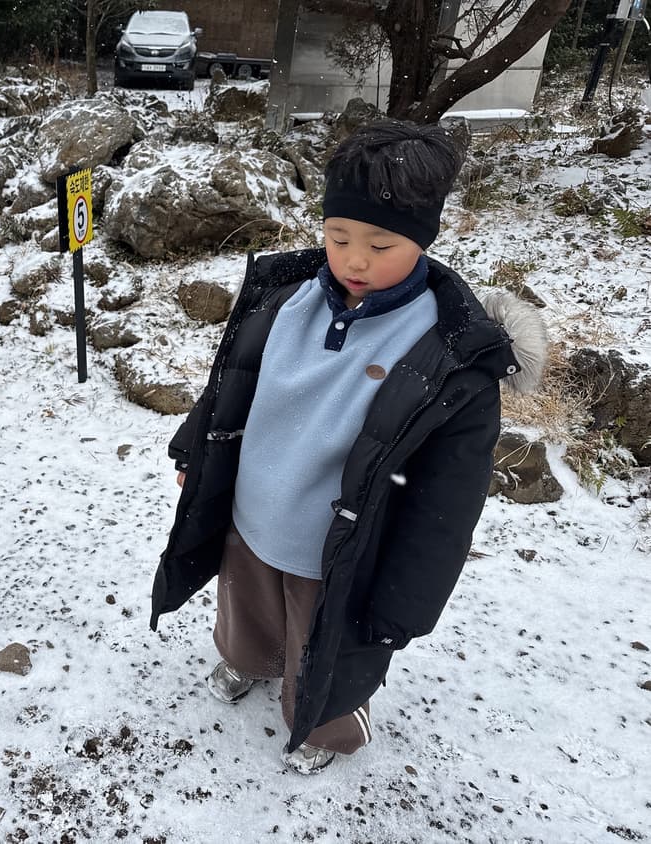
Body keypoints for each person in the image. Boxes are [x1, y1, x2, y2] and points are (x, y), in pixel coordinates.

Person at [149, 119, 547, 774]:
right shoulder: (284, 298)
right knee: (245, 615)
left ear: (423, 240)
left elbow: (442, 505)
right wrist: (195, 451)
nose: (354, 259)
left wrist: (403, 603)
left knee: (326, 654)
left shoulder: (449, 358)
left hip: (338, 550)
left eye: (379, 244)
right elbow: (232, 388)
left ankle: (331, 724)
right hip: (252, 518)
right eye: (337, 237)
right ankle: (251, 660)